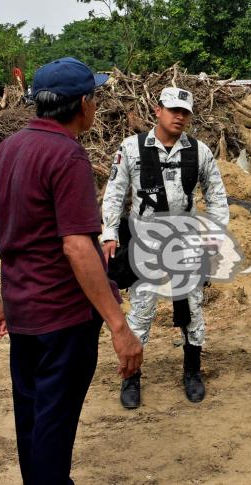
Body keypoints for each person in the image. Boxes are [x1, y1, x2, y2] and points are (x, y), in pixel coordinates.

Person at [0, 57, 143, 484]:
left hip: (23, 313)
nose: (97, 106)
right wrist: (119, 326)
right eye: (95, 97)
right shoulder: (67, 155)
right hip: (63, 319)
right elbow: (76, 246)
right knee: (53, 426)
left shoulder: (6, 150)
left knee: (32, 418)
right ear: (83, 103)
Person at [101, 87, 229, 408]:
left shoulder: (199, 152)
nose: (179, 117)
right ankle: (131, 377)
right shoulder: (131, 149)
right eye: (173, 110)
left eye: (185, 112)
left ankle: (192, 371)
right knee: (142, 310)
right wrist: (109, 233)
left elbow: (216, 194)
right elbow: (115, 192)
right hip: (145, 240)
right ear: (158, 110)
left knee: (192, 311)